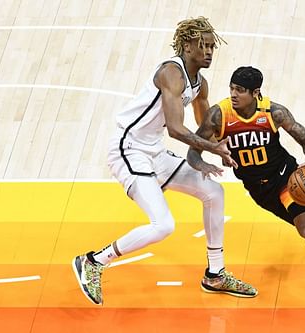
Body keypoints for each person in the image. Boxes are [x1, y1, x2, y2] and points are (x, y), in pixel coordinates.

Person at [72, 18, 257, 305]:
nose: (209, 51)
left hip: (154, 151)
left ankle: (216, 274)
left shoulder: (200, 84)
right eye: (202, 45)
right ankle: (94, 260)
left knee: (214, 192)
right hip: (128, 148)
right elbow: (176, 128)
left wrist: (236, 138)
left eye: (211, 46)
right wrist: (211, 148)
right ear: (187, 45)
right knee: (163, 226)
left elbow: (203, 124)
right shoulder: (172, 73)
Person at [187, 66, 305, 319]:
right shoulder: (219, 116)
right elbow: (193, 150)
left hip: (286, 179)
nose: (233, 94)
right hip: (258, 190)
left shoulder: (273, 113)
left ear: (256, 93)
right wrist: (206, 161)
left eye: (240, 90)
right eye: (231, 88)